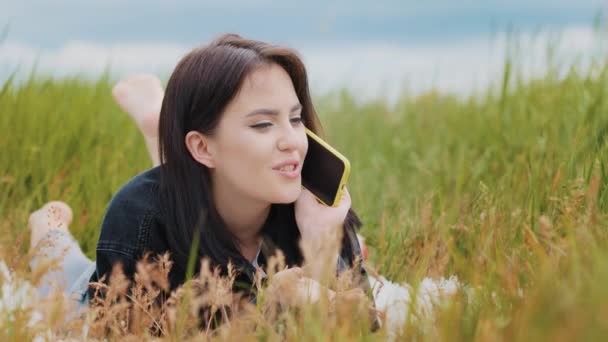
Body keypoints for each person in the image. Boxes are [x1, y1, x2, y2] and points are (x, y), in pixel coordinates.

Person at [28, 33, 377, 329]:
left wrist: (321, 241)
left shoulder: (315, 206)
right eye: (262, 124)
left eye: (296, 118)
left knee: (195, 188)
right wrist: (266, 310)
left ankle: (158, 128)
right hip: (88, 303)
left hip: (199, 185)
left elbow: (363, 328)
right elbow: (127, 331)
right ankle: (46, 223)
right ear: (201, 145)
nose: (292, 141)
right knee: (61, 268)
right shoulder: (138, 218)